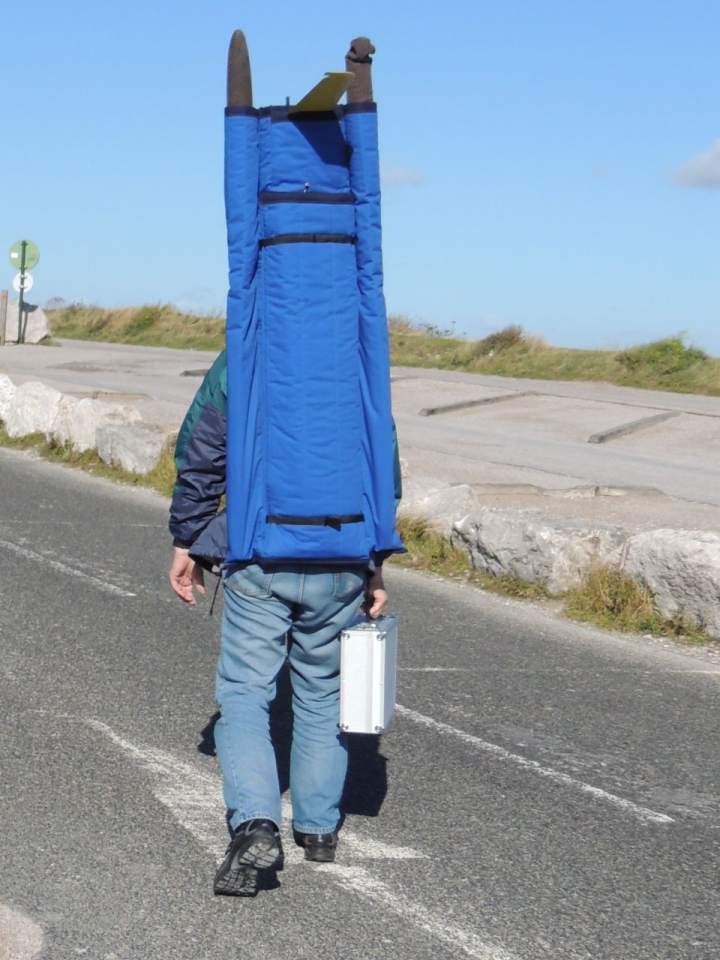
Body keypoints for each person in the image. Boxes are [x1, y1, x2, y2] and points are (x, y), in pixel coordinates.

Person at [168, 349, 401, 896]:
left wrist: (188, 537)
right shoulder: (356, 353)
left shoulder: (243, 351)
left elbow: (202, 450)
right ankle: (318, 829)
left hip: (260, 549)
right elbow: (382, 463)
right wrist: (375, 562)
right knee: (322, 691)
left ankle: (256, 821)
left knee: (247, 692)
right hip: (341, 555)